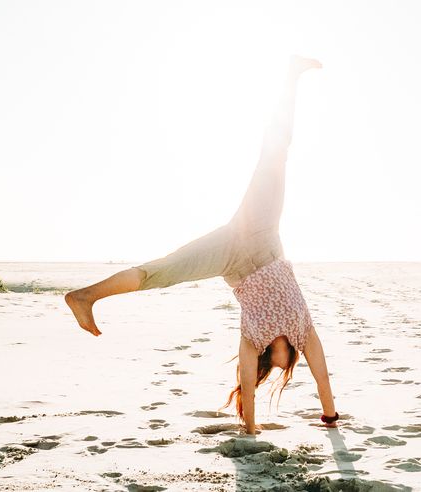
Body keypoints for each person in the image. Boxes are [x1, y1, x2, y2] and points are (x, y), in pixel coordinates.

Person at [64, 56, 337, 434]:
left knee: (167, 271)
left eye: (270, 364)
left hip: (232, 259)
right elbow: (323, 376)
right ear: (289, 354)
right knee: (275, 155)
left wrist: (251, 427)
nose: (274, 362)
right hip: (259, 232)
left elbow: (245, 383)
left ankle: (84, 297)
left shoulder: (252, 341)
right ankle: (86, 297)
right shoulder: (303, 330)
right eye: (279, 361)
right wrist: (330, 415)